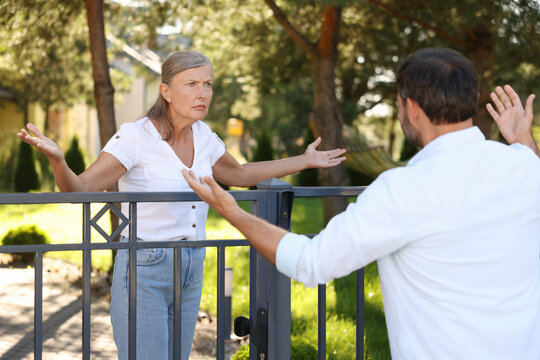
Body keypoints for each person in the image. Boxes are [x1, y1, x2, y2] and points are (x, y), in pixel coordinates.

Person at [183, 48, 540, 359]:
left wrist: (232, 212)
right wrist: (524, 142)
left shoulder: (403, 190)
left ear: (410, 108)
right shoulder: (524, 165)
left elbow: (311, 262)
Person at [17, 50, 346, 360]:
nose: (203, 92)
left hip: (192, 264)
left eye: (208, 84)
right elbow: (81, 188)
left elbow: (240, 174)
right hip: (145, 266)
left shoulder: (205, 136)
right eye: (192, 84)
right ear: (167, 91)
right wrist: (59, 162)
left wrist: (303, 161)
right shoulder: (135, 136)